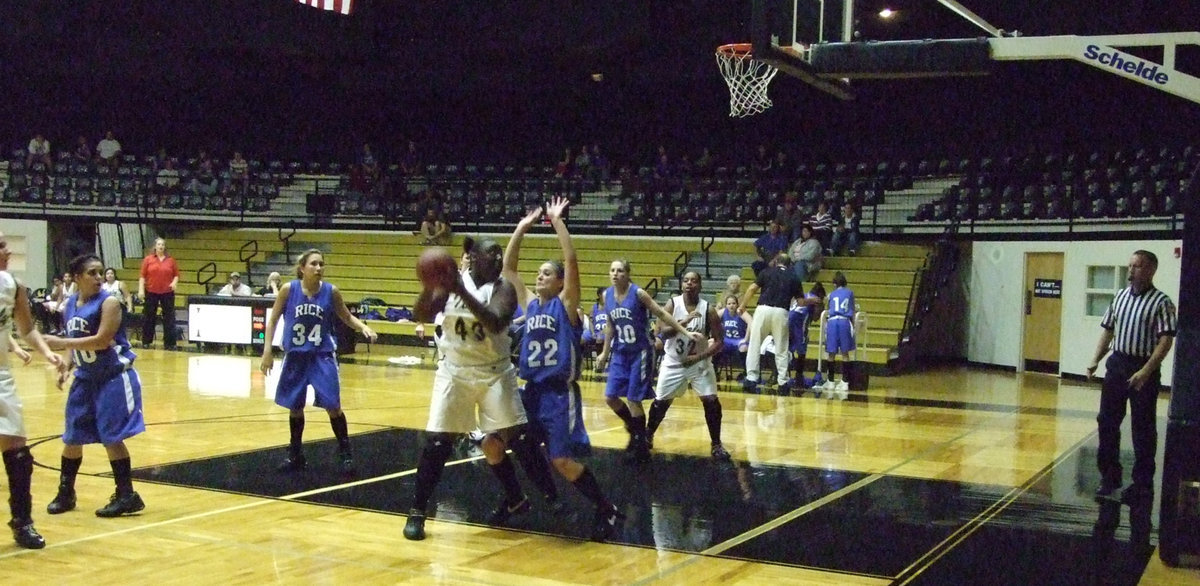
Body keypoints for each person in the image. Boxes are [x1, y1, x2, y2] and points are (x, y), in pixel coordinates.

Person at [502, 198, 624, 542]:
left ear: (559, 283)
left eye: (547, 273)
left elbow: (570, 260)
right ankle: (528, 499)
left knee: (563, 462)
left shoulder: (565, 305)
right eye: (539, 272)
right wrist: (522, 228)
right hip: (532, 392)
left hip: (559, 394)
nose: (540, 276)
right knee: (514, 441)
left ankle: (606, 507)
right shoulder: (529, 302)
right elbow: (509, 272)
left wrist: (557, 222)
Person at [403, 237, 534, 541]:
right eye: (492, 253)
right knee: (437, 443)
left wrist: (459, 290)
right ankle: (417, 511)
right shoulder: (450, 285)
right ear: (472, 258)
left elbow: (495, 322)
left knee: (519, 439)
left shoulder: (501, 288)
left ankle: (527, 499)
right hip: (455, 371)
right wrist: (430, 285)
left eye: (500, 254)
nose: (498, 259)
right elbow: (420, 314)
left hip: (493, 371)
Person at [43, 254, 147, 519]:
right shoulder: (69, 305)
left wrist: (62, 344)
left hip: (113, 376)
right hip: (86, 378)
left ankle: (127, 495)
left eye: (101, 272)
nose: (99, 278)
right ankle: (66, 492)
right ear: (76, 277)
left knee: (111, 437)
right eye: (92, 273)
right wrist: (66, 364)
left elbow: (101, 341)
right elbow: (73, 338)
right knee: (72, 435)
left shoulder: (110, 302)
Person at [260, 250, 377, 474]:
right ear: (302, 268)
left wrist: (363, 327)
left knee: (333, 405)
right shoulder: (288, 290)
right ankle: (295, 455)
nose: (319, 268)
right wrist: (267, 351)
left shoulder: (331, 291)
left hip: (321, 355)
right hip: (296, 355)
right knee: (295, 406)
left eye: (321, 264)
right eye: (314, 264)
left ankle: (345, 453)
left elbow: (345, 316)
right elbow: (273, 319)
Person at [1086, 250, 1176, 504]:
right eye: (1130, 265)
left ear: (1150, 270)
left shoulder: (1162, 302)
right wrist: (1095, 359)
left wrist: (1146, 371)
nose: (1131, 269)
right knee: (1107, 421)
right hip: (1118, 364)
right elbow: (1108, 331)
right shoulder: (1120, 297)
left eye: (1137, 266)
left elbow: (1165, 341)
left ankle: (1142, 483)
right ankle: (1109, 476)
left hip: (1143, 366)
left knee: (1143, 428)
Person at [595, 259, 700, 463]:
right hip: (620, 352)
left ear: (627, 273)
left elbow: (660, 313)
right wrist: (604, 352)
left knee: (633, 400)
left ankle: (640, 442)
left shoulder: (638, 293)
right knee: (610, 397)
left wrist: (684, 330)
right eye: (612, 270)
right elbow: (610, 325)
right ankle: (633, 428)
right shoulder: (607, 295)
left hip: (641, 351)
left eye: (620, 270)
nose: (615, 274)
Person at [0, 232, 64, 549]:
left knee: (18, 451)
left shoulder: (12, 286)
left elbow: (26, 329)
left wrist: (48, 353)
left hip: (1, 376)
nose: (7, 249)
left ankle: (22, 522)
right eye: (0, 245)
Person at [646, 271, 731, 460]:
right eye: (686, 280)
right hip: (674, 362)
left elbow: (719, 341)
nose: (689, 283)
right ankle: (648, 435)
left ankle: (716, 444)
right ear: (681, 284)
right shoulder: (672, 304)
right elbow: (662, 333)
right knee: (661, 403)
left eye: (693, 281)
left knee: (711, 401)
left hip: (699, 363)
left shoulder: (707, 309)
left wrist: (699, 357)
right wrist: (683, 322)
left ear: (700, 286)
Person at [739, 253, 803, 393]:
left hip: (763, 309)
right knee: (781, 348)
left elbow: (751, 289)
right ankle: (783, 382)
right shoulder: (794, 277)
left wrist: (743, 305)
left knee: (755, 344)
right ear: (789, 264)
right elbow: (801, 302)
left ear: (776, 261)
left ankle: (751, 379)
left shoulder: (766, 272)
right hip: (781, 311)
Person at [819, 272, 857, 394]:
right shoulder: (850, 292)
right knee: (845, 353)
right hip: (844, 321)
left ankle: (830, 381)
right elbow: (852, 309)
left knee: (831, 353)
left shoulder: (831, 294)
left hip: (832, 321)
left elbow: (827, 308)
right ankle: (845, 382)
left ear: (834, 284)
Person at [138, 237, 180, 349]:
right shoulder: (148, 259)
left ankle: (170, 343)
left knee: (169, 317)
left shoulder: (171, 260)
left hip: (167, 292)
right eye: (159, 244)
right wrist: (141, 290)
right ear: (155, 246)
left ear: (165, 247)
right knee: (149, 316)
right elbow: (142, 276)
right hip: (151, 291)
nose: (161, 246)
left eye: (162, 244)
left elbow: (176, 275)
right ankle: (146, 341)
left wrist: (174, 283)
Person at [787, 282, 826, 392]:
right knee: (802, 351)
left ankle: (780, 375)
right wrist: (822, 306)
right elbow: (815, 318)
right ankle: (799, 378)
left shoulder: (804, 295)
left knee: (787, 349)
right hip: (798, 324)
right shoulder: (816, 300)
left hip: (788, 320)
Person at [719, 294, 752, 376]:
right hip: (726, 340)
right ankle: (715, 371)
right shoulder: (723, 311)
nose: (731, 306)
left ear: (737, 304)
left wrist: (746, 339)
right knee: (713, 344)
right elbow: (712, 319)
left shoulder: (740, 312)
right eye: (729, 304)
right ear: (726, 305)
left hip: (739, 340)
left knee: (744, 348)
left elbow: (751, 322)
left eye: (733, 303)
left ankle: (746, 372)